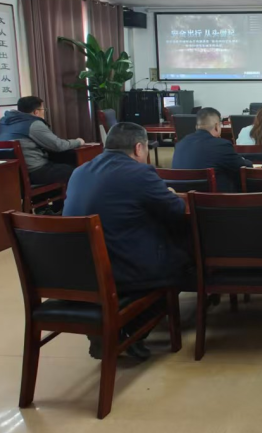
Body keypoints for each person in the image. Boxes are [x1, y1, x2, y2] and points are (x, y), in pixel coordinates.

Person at [64, 122, 192, 360]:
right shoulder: (139, 173)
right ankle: (129, 331)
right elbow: (175, 209)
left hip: (79, 273)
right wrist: (171, 194)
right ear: (139, 148)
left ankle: (109, 329)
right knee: (184, 262)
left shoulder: (79, 172)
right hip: (120, 271)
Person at [0, 96, 84, 185]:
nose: (44, 112)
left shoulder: (4, 122)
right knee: (77, 171)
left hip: (11, 173)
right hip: (34, 171)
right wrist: (78, 141)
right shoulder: (33, 124)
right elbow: (58, 145)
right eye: (43, 110)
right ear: (36, 112)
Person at [171, 107, 252, 192]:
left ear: (197, 127)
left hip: (183, 197)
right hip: (212, 199)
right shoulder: (221, 145)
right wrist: (246, 161)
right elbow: (244, 167)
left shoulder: (180, 143)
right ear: (217, 126)